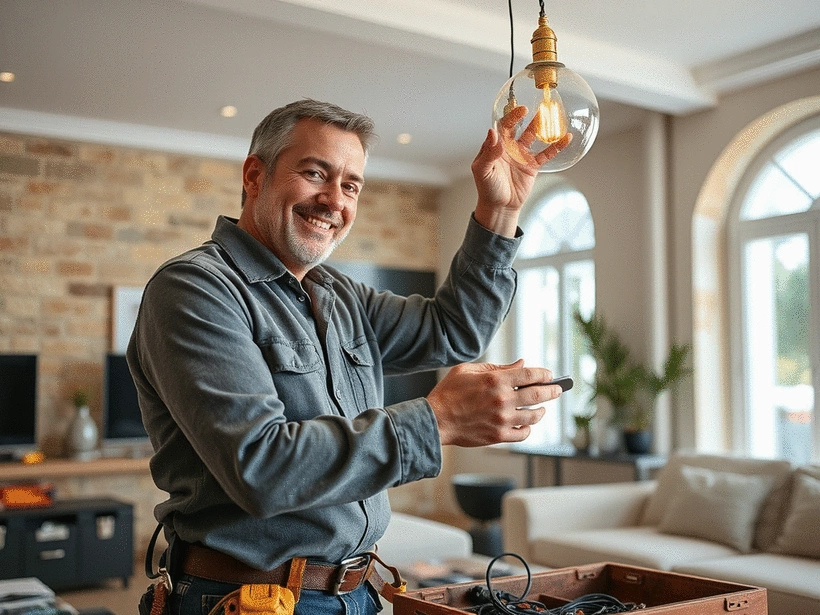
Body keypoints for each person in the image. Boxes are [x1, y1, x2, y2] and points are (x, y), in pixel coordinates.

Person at [127, 98, 570, 615]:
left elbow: (454, 331)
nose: (334, 200)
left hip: (357, 593)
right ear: (254, 175)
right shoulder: (196, 290)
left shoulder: (337, 294)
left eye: (351, 185)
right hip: (245, 600)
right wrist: (438, 418)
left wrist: (500, 212)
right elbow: (261, 466)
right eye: (315, 173)